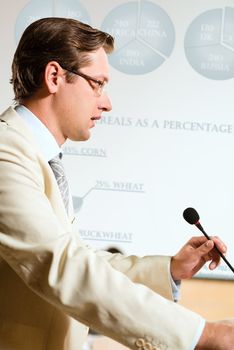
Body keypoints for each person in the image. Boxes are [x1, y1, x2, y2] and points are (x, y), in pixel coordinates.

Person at [0, 17, 233, 350]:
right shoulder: (6, 153)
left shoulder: (36, 155)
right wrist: (202, 335)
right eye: (98, 84)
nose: (107, 103)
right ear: (54, 77)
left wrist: (168, 269)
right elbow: (62, 265)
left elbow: (78, 257)